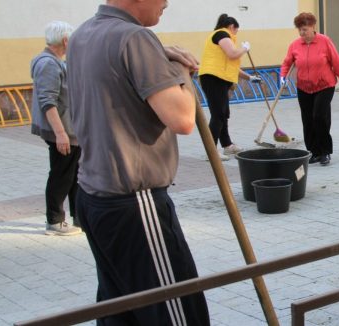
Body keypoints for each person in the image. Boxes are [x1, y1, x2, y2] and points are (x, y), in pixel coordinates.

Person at [68, 1, 209, 324]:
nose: (166, 3)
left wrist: (158, 55)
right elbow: (183, 118)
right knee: (177, 314)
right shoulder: (134, 39)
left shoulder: (82, 36)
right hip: (135, 203)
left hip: (93, 198)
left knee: (122, 312)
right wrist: (180, 72)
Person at [280, 12, 339, 166]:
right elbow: (287, 62)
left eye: (305, 29)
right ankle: (313, 152)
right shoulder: (295, 45)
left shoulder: (324, 41)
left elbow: (337, 62)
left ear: (313, 27)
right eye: (300, 30)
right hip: (304, 87)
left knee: (320, 117)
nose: (302, 33)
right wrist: (283, 75)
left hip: (324, 86)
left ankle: (325, 151)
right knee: (307, 120)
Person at [30, 21, 82, 236]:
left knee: (74, 174)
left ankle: (79, 218)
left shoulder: (58, 62)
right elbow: (48, 102)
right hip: (62, 132)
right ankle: (55, 220)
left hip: (70, 131)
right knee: (62, 175)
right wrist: (61, 134)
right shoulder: (48, 64)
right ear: (65, 40)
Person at [200, 13, 261, 161]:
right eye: (236, 31)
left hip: (220, 79)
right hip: (213, 79)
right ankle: (212, 151)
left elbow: (231, 64)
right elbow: (233, 54)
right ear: (231, 26)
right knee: (218, 114)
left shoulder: (222, 37)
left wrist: (250, 78)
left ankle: (227, 145)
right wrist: (245, 48)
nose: (235, 34)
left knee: (223, 113)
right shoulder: (222, 34)